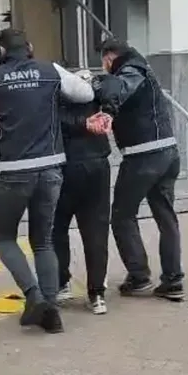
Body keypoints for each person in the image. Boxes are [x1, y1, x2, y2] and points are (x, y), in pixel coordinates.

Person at [0, 29, 94, 333]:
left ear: (1, 50)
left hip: (12, 169)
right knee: (43, 240)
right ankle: (51, 310)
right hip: (51, 166)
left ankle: (34, 297)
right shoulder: (50, 70)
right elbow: (86, 94)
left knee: (5, 238)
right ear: (29, 47)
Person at [90, 38, 185, 302]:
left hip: (143, 156)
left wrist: (99, 90)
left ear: (109, 58)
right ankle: (173, 281)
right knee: (166, 217)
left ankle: (139, 277)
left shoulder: (131, 70)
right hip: (168, 152)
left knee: (122, 216)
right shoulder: (143, 68)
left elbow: (120, 88)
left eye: (103, 62)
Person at [52, 69, 112, 315]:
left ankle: (61, 283)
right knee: (96, 230)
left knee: (57, 228)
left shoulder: (55, 100)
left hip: (64, 169)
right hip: (97, 166)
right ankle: (97, 294)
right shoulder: (97, 96)